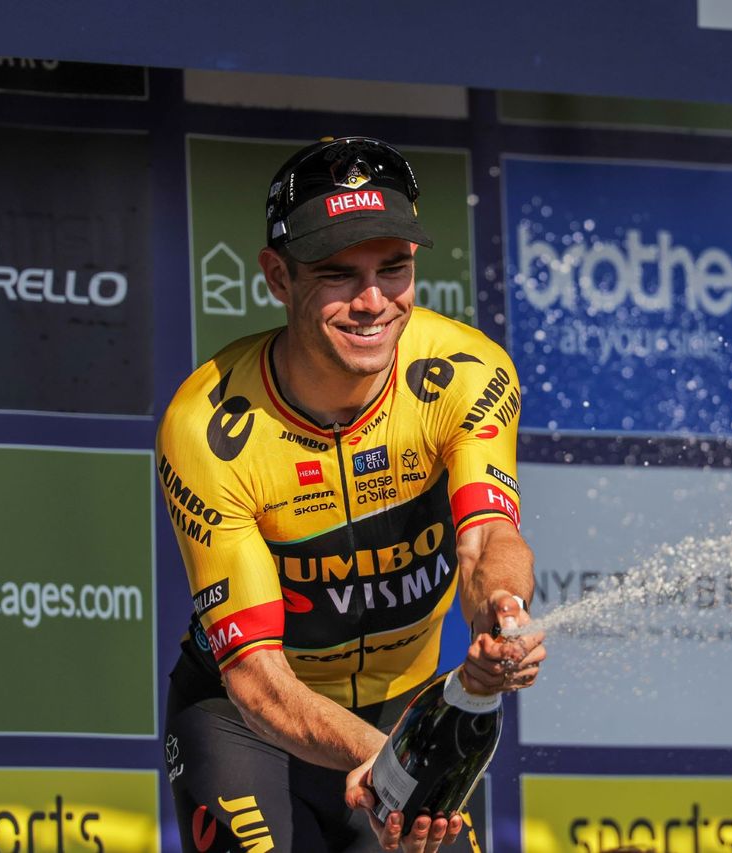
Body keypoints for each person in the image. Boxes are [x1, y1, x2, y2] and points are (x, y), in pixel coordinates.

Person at [156, 136, 546, 853]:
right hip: (245, 721)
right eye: (339, 275)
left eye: (393, 269)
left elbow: (487, 540)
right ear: (278, 276)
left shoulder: (467, 371)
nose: (372, 302)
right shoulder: (206, 423)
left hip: (402, 704)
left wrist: (503, 608)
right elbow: (257, 679)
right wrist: (393, 759)